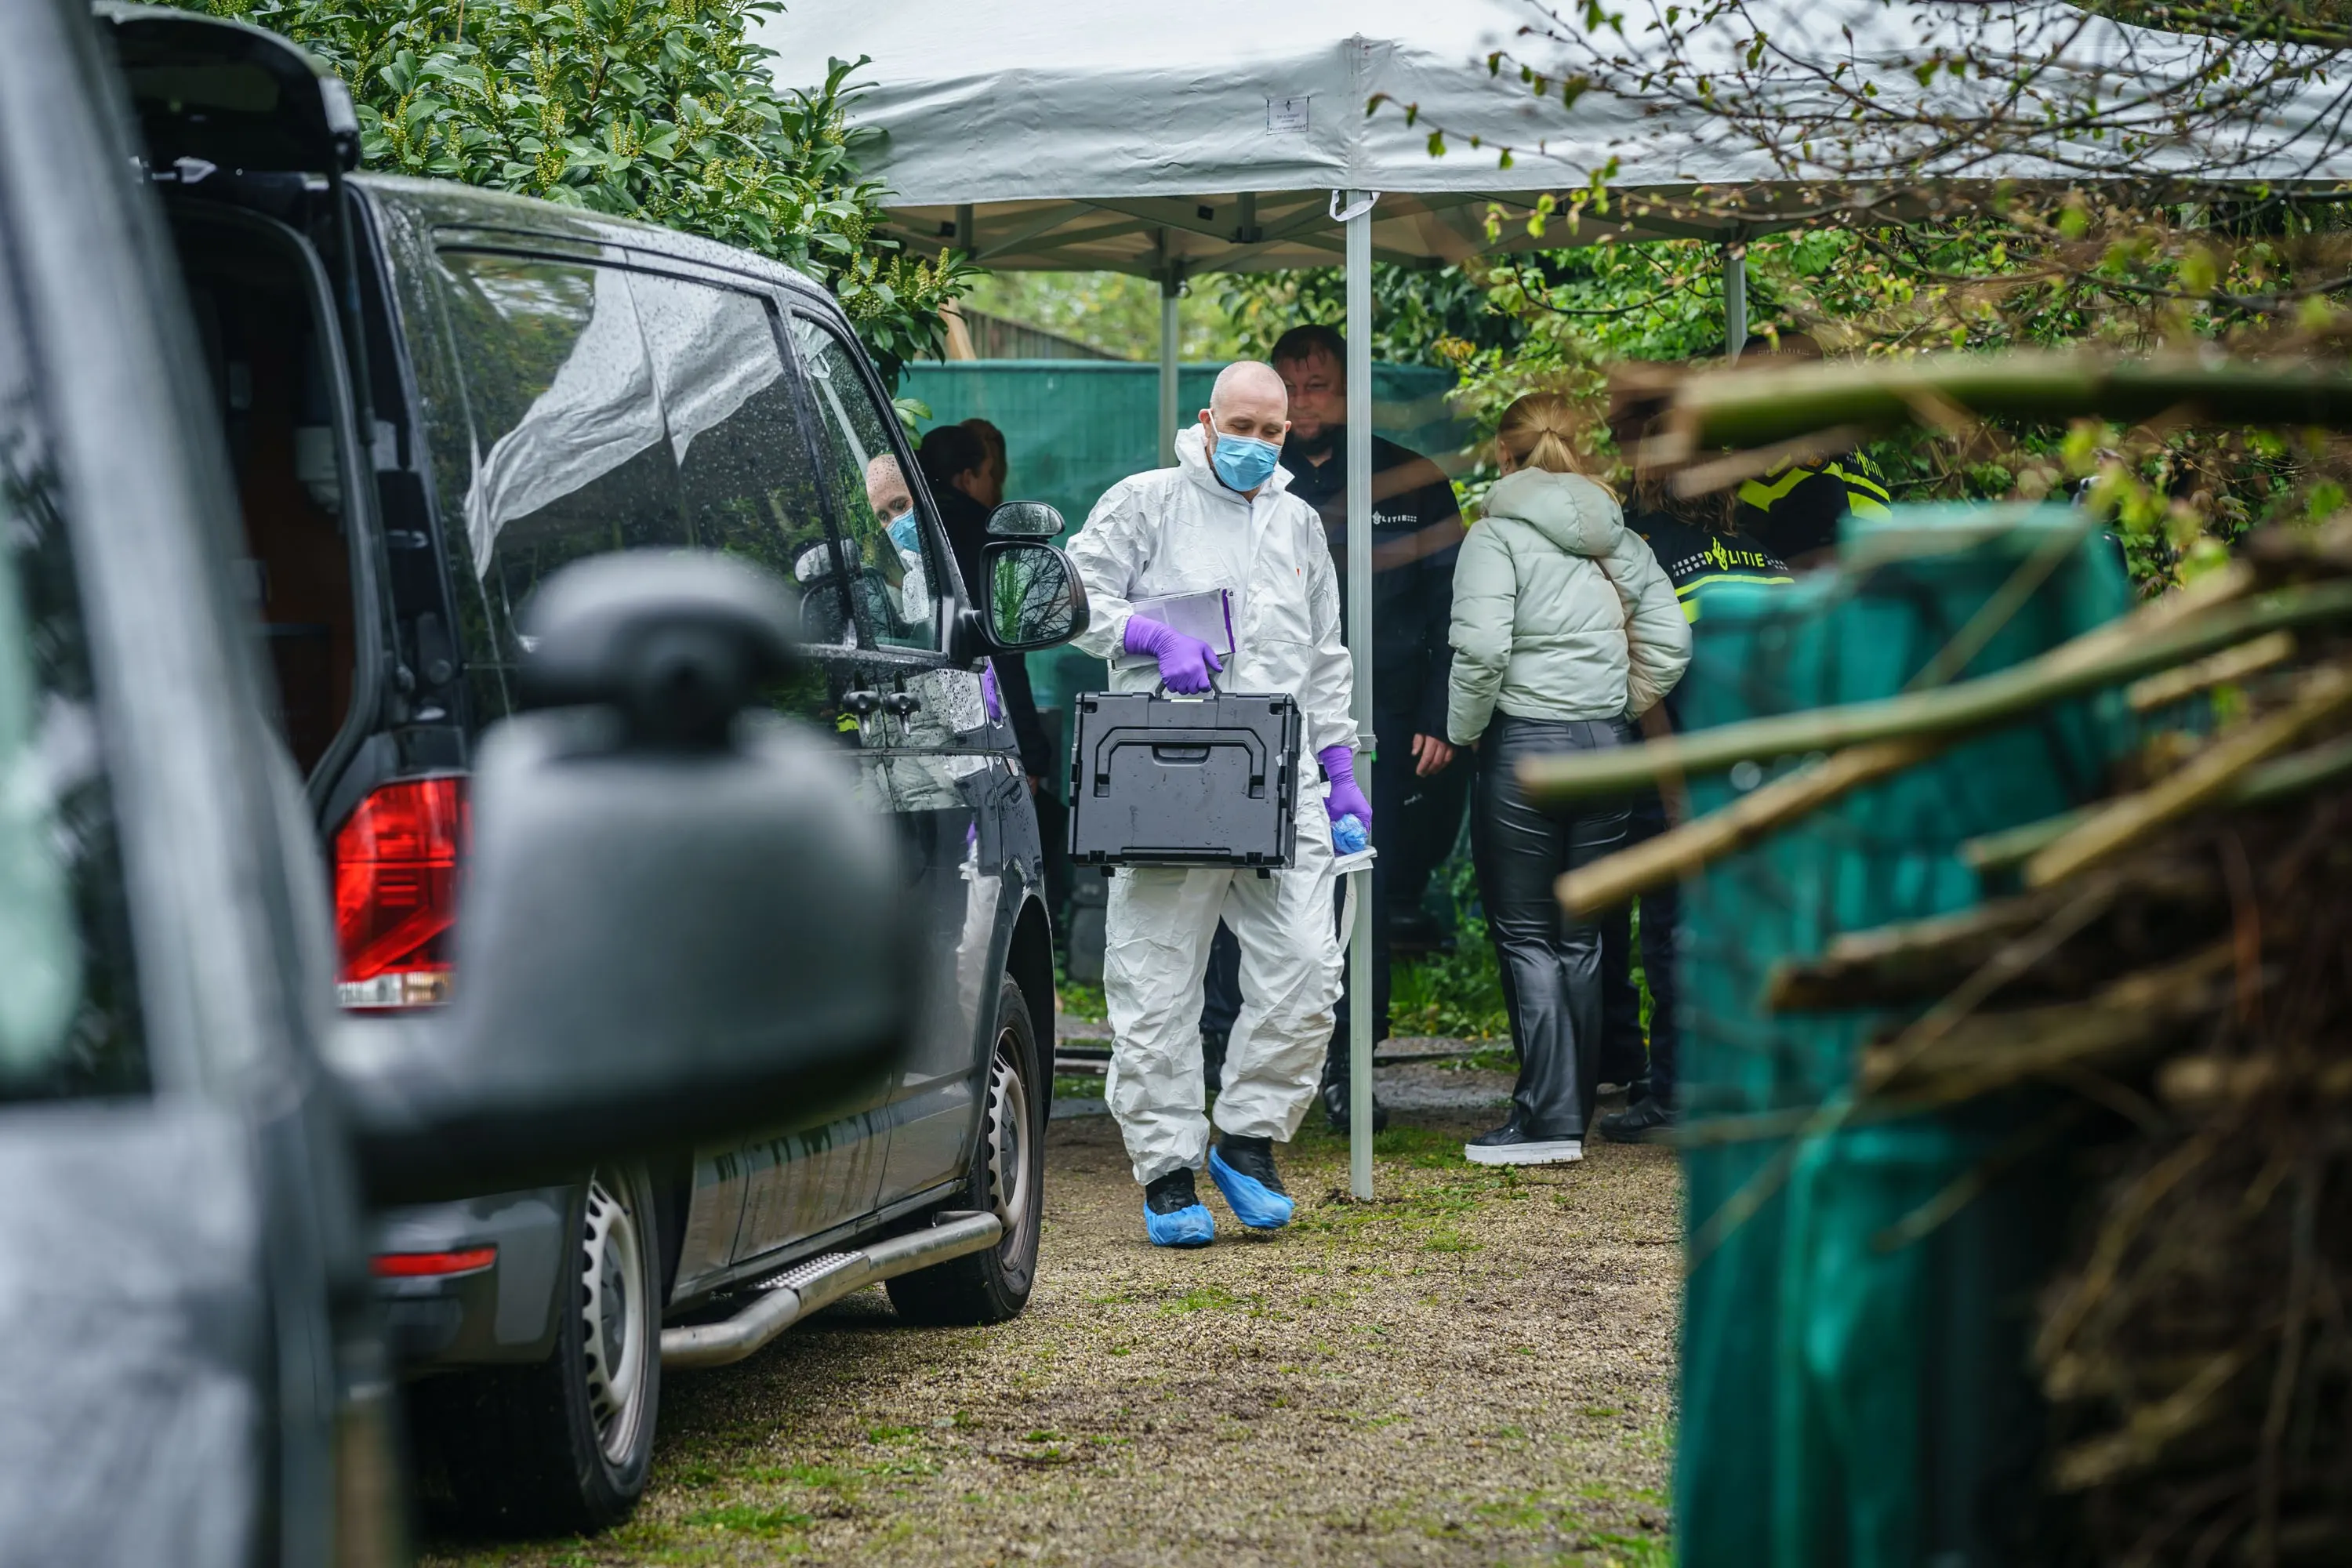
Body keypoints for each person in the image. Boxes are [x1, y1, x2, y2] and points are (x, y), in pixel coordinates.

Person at [1066, 361, 1361, 1247]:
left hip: (1280, 771)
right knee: (1157, 979)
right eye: (1243, 425)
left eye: (1272, 432)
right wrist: (1152, 634)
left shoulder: (1299, 522)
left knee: (1309, 968)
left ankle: (1246, 1137)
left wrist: (1341, 768)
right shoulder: (1146, 501)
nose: (1258, 445)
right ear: (1206, 420)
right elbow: (1071, 596)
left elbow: (1324, 655)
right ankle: (1165, 1170)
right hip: (1171, 768)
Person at [1198, 324, 1468, 1131]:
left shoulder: (1411, 478)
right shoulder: (1240, 479)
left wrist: (1438, 712)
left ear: (1349, 389)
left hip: (1375, 724)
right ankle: (1226, 1059)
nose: (1306, 397)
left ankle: (1352, 1067)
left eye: (1319, 383)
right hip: (1249, 722)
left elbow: (1449, 604)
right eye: (1293, 383)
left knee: (1357, 893)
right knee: (1232, 885)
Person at [1446, 393, 1690, 1166]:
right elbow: (1671, 640)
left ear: (1505, 455)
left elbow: (1482, 650)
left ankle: (1546, 1121)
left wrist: (1466, 730)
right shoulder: (1618, 537)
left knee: (1527, 936)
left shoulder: (1495, 536)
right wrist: (1619, 703)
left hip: (1526, 746)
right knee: (1582, 938)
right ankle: (1569, 1112)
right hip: (1607, 744)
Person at [1590, 377, 1796, 1143]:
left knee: (1672, 930)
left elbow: (1646, 677)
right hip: (1754, 767)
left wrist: (1671, 778)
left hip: (1677, 765)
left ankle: (1674, 1093)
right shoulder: (1762, 552)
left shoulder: (1644, 551)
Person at [919, 423, 1054, 787]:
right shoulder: (994, 547)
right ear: (967, 478)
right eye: (990, 474)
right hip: (981, 734)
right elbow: (1004, 654)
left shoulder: (902, 533)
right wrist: (1031, 753)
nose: (994, 486)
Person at [1726, 334, 1893, 565]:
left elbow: (1822, 514)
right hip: (1873, 575)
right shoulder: (1840, 437)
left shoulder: (1799, 441)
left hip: (1827, 583)